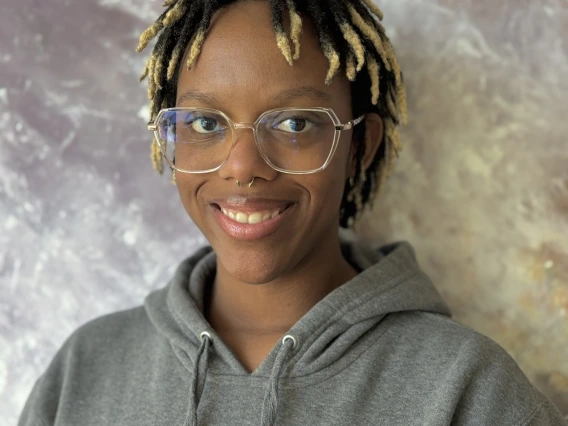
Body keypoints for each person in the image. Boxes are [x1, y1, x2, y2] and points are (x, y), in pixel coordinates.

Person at [18, 0, 567, 425]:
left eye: (296, 123)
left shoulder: (466, 390)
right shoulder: (86, 372)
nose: (241, 167)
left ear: (361, 147)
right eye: (205, 124)